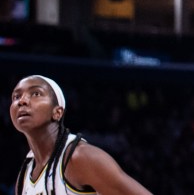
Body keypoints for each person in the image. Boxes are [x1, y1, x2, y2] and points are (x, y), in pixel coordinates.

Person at [10, 74, 154, 195]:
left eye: (36, 93)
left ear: (57, 112)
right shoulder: (25, 174)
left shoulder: (80, 158)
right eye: (16, 97)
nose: (22, 101)